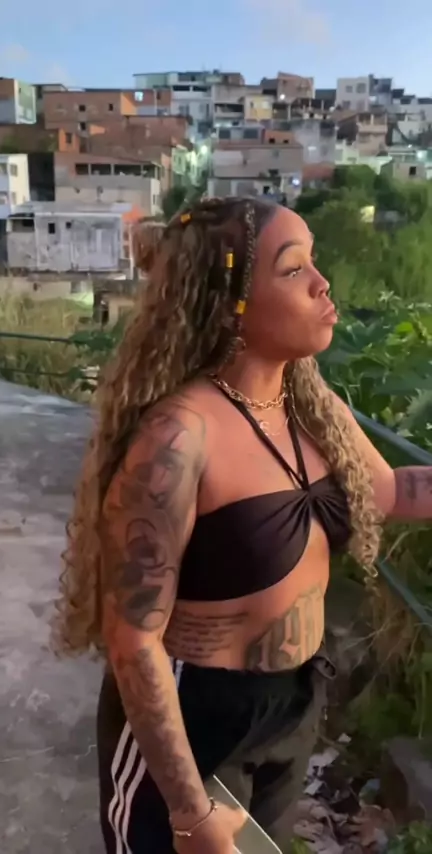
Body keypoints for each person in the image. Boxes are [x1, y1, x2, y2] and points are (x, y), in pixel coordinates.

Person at [53, 196, 432, 854]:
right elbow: (134, 641)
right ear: (230, 302)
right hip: (192, 723)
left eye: (314, 262)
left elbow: (390, 490)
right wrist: (189, 812)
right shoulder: (178, 439)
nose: (323, 284)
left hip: (292, 705)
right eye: (294, 269)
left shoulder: (308, 402)